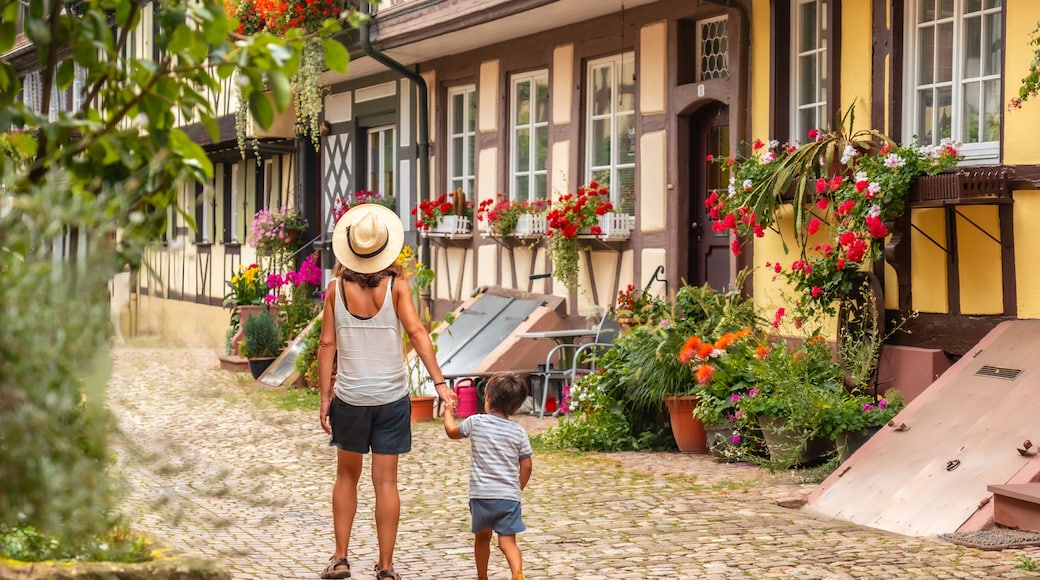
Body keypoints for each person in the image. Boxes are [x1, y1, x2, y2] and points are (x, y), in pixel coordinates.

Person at [317, 203, 456, 580]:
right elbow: (417, 333)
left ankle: (341, 558)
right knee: (387, 482)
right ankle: (387, 566)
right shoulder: (397, 287)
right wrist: (440, 384)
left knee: (347, 477)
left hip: (351, 397)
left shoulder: (334, 290)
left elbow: (327, 345)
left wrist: (325, 398)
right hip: (392, 398)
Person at [443, 372, 533, 580]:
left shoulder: (476, 422)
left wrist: (448, 411)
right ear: (517, 407)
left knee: (482, 538)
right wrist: (516, 489)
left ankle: (482, 577)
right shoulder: (518, 432)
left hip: (482, 495)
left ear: (488, 398)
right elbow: (527, 466)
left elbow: (451, 431)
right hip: (508, 498)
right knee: (508, 542)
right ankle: (517, 573)